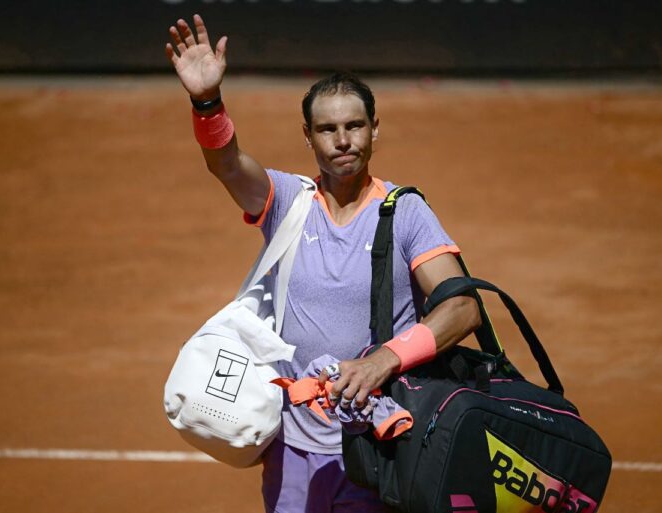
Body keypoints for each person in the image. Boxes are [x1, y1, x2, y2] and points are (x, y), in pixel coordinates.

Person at [165, 15, 481, 513]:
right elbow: (226, 163)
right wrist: (207, 102)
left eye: (355, 126)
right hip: (290, 450)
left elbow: (462, 308)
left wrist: (384, 360)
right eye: (328, 129)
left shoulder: (406, 212)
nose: (343, 140)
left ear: (375, 128)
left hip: (379, 449)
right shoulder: (288, 200)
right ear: (308, 137)